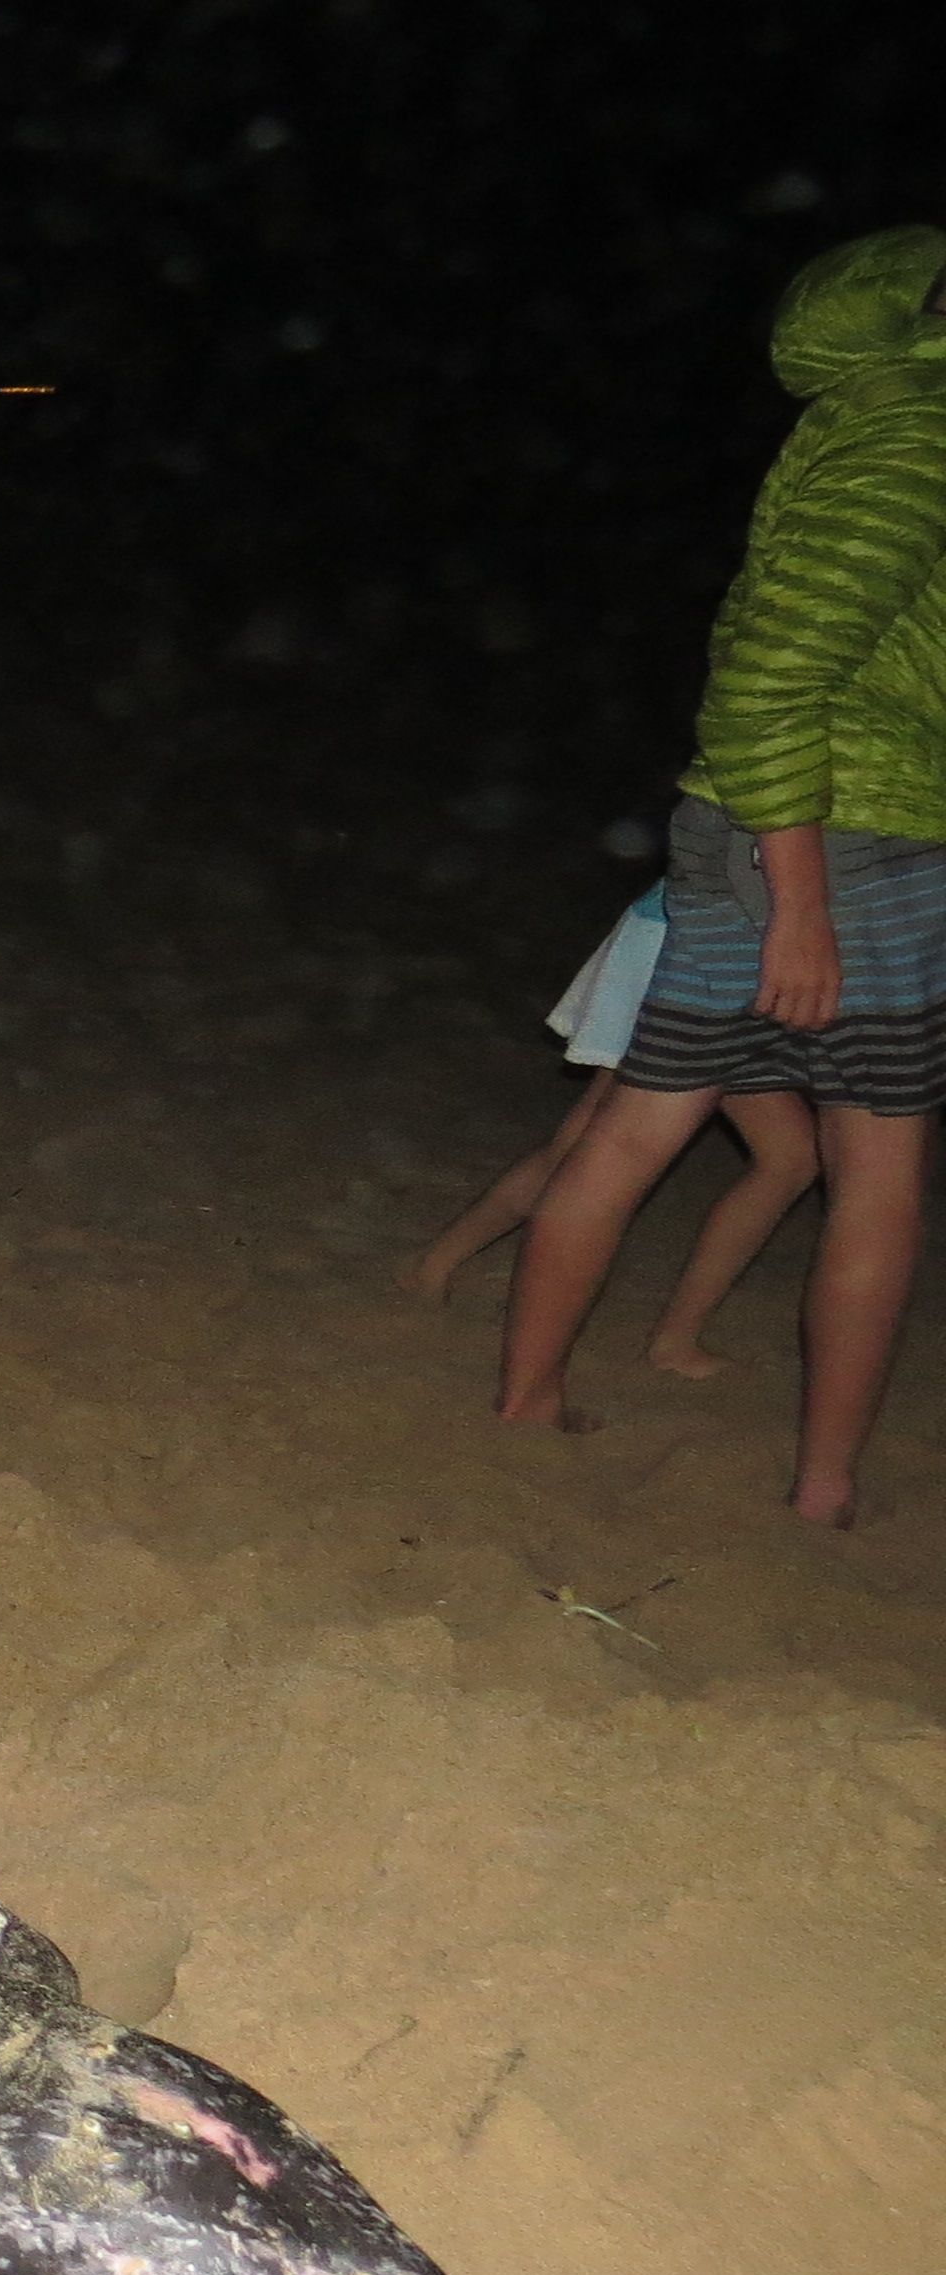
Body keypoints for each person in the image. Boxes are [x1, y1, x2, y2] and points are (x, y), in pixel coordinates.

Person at [495, 226, 946, 1522]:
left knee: (647, 1125)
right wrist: (799, 903)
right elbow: (769, 673)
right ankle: (822, 1489)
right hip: (835, 833)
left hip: (790, 822)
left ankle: (530, 1402)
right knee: (876, 1169)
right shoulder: (918, 430)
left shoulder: (874, 416)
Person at [402, 885, 820, 1375]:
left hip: (737, 947)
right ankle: (431, 1265)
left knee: (790, 1158)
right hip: (691, 941)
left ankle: (675, 1338)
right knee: (585, 1153)